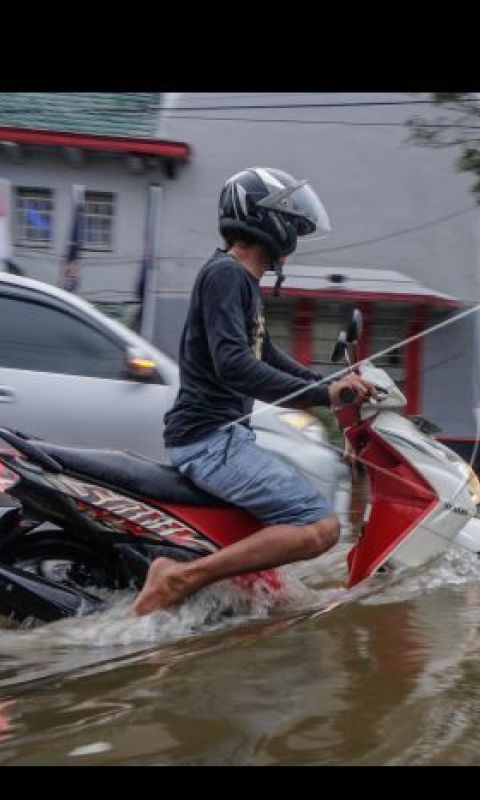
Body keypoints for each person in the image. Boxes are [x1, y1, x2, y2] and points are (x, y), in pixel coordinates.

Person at [133, 167, 371, 615]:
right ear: (264, 220)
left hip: (221, 438)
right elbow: (235, 366)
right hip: (209, 441)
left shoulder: (240, 281)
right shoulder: (226, 276)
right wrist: (326, 396)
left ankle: (247, 594)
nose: (295, 236)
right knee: (321, 525)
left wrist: (331, 385)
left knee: (293, 518)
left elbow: (265, 356)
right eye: (293, 224)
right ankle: (179, 577)